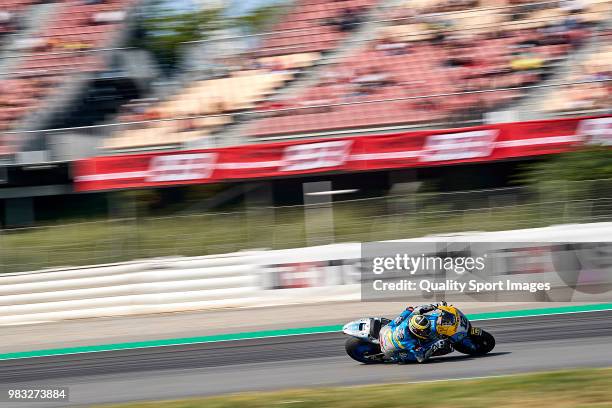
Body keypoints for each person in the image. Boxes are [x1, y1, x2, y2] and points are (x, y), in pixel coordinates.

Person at [379, 304, 453, 363]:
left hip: (385, 330)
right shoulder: (409, 342)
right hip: (388, 350)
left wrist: (436, 305)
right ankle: (397, 358)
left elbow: (418, 309)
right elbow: (421, 358)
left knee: (409, 310)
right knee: (412, 356)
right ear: (415, 330)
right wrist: (436, 345)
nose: (427, 331)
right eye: (424, 330)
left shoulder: (410, 319)